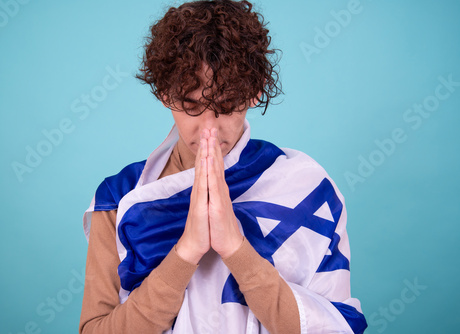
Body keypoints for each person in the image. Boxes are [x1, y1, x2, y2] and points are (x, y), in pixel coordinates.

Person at [79, 0, 368, 333]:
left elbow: (333, 326)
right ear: (164, 94)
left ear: (255, 93)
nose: (208, 130)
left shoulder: (305, 187)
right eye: (191, 105)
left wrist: (235, 247)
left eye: (227, 106)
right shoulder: (119, 199)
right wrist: (186, 251)